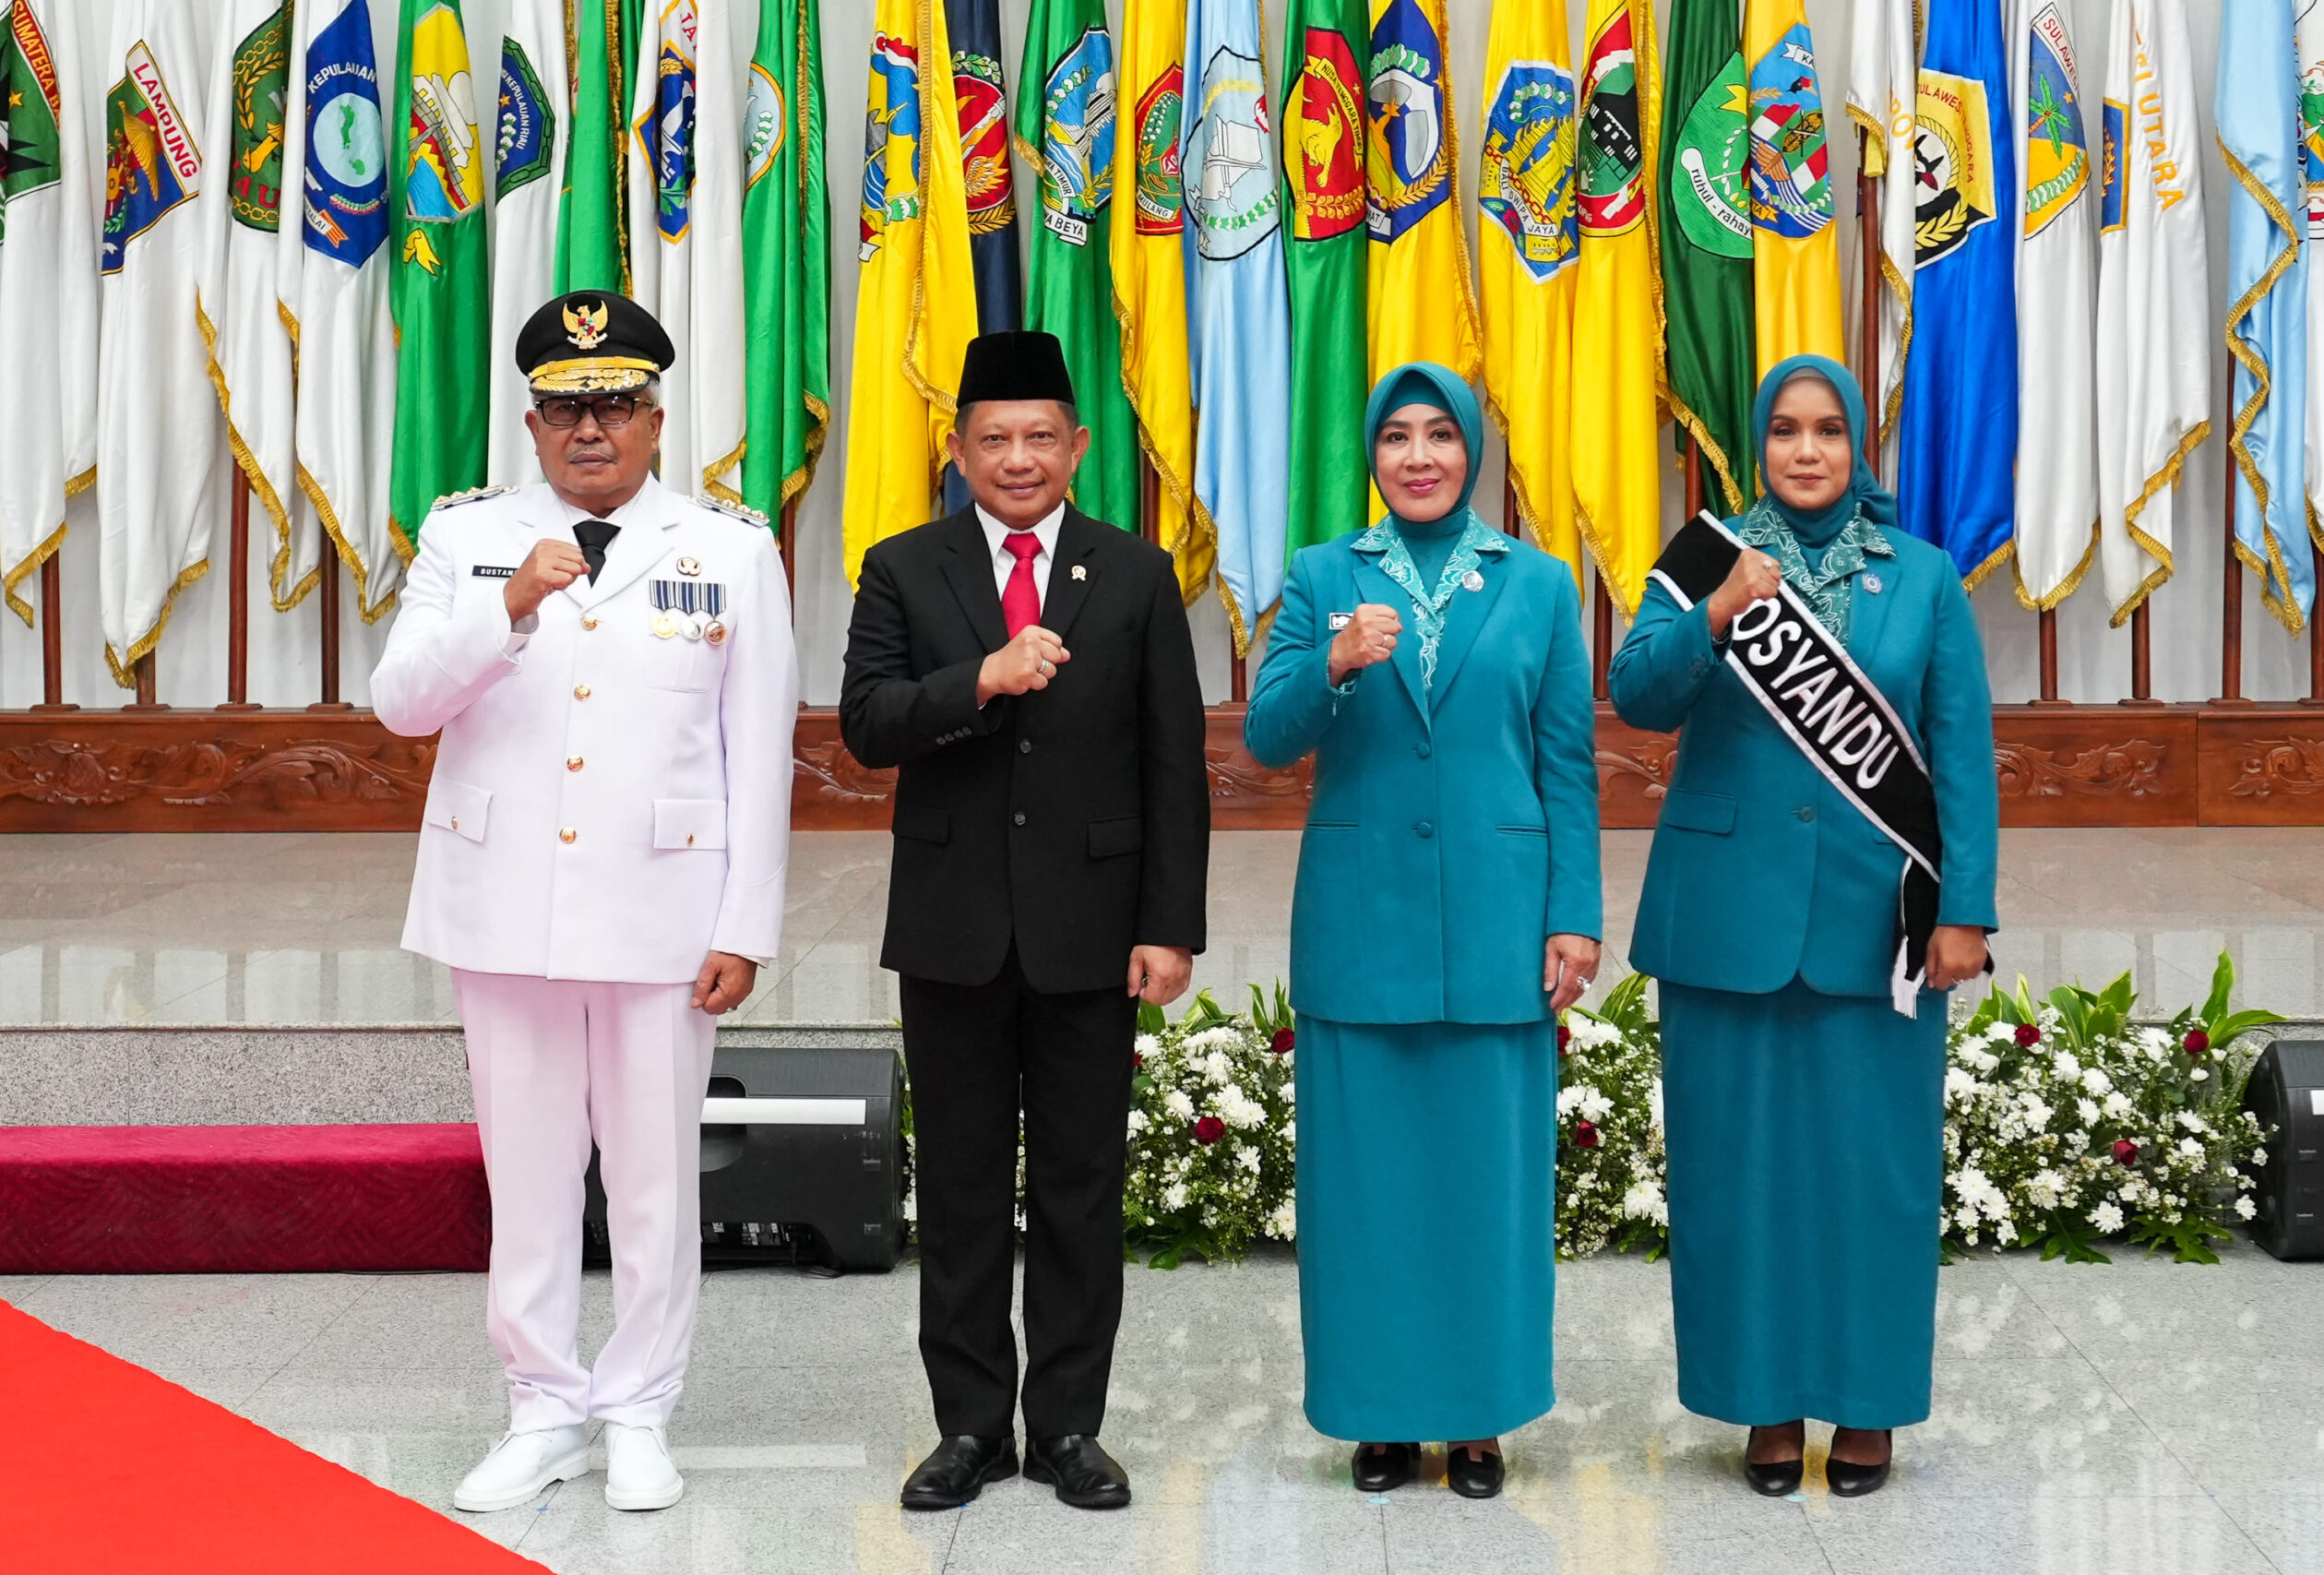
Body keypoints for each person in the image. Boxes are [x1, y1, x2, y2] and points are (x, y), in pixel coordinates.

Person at [373, 291, 794, 1515]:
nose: (590, 427)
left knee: (657, 1173)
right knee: (531, 1168)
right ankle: (543, 1404)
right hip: (502, 904)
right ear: (532, 420)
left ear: (658, 418)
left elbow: (756, 749)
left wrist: (744, 923)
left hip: (665, 911)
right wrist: (503, 608)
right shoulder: (468, 537)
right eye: (566, 407)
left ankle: (642, 1407)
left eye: (614, 404)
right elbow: (402, 702)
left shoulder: (730, 549)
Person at [1609, 354, 1998, 1498]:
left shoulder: (1921, 577)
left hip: (1877, 925)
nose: (1808, 450)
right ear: (1757, 445)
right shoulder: (1702, 561)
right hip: (1725, 918)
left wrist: (1963, 909)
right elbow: (1638, 696)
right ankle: (1764, 1408)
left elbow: (1961, 757)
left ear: (1853, 445)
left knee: (1870, 1175)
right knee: (1735, 1177)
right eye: (1784, 430)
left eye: (1828, 429)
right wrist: (1715, 621)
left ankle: (1866, 1405)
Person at [840, 329, 1210, 1512]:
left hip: (1093, 931)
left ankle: (1065, 1429)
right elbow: (867, 723)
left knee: (1078, 1187)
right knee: (954, 1190)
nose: (1017, 459)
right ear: (956, 449)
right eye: (992, 439)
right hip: (951, 929)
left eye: (1039, 437)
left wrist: (1170, 925)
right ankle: (966, 1432)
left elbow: (1174, 766)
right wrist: (980, 682)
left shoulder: (1137, 572)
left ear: (1078, 445)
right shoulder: (903, 566)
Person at [1244, 362, 1602, 1500]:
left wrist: (1574, 920)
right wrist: (1336, 665)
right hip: (1361, 928)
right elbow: (1266, 733)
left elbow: (1566, 766)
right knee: (1367, 1191)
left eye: (1438, 435)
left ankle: (1482, 1417)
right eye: (1395, 436)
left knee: (1488, 1188)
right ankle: (1378, 1419)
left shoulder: (1539, 585)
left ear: (1470, 453)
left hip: (1500, 924)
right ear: (1371, 455)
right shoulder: (1320, 578)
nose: (1417, 456)